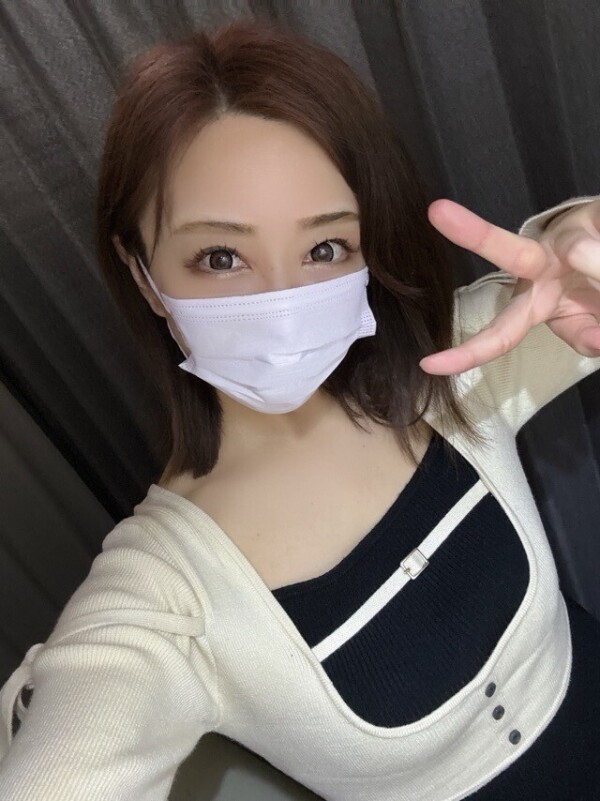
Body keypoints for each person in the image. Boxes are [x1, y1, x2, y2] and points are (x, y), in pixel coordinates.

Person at [1, 16, 600, 801]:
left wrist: (584, 252)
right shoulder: (164, 594)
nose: (282, 301)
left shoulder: (457, 366)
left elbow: (574, 298)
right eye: (221, 256)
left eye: (325, 248)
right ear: (142, 272)